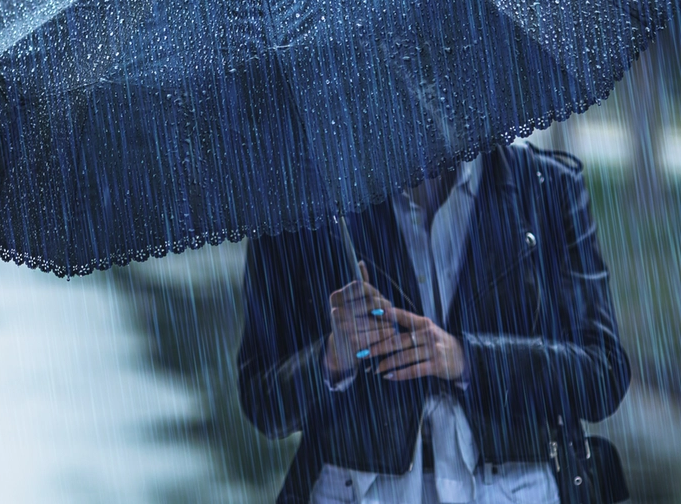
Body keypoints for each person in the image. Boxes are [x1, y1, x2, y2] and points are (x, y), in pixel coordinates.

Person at [237, 143, 630, 503]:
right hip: (356, 489)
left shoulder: (545, 187)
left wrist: (468, 359)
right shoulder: (297, 206)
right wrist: (333, 357)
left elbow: (602, 375)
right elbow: (262, 402)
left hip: (516, 489)